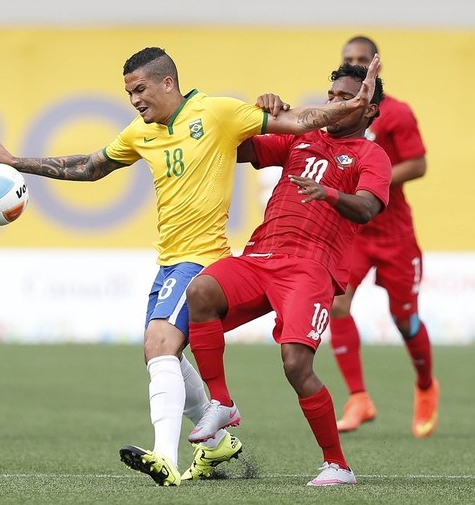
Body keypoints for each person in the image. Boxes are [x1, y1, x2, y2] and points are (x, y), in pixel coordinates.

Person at [0, 47, 380, 486]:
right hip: (178, 258)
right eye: (128, 93)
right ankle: (215, 429)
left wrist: (341, 111)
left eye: (140, 89)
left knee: (167, 344)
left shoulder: (218, 112)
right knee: (160, 348)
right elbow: (90, 167)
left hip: (211, 257)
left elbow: (301, 124)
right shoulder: (139, 133)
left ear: (168, 83)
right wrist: (16, 162)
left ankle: (168, 455)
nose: (134, 100)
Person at [185, 62, 389, 486]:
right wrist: (261, 113)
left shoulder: (372, 155)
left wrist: (330, 193)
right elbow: (234, 148)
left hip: (311, 268)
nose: (335, 103)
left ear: (368, 111)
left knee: (296, 364)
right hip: (261, 257)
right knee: (201, 291)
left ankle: (338, 465)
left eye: (347, 98)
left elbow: (368, 208)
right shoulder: (302, 138)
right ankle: (221, 402)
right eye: (332, 96)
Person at [329, 36, 437, 438]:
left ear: (375, 66)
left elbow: (419, 164)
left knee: (405, 319)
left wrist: (373, 182)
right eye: (348, 60)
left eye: (362, 60)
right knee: (337, 304)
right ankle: (359, 397)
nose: (355, 66)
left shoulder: (395, 113)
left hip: (394, 233)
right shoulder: (336, 112)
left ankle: (426, 386)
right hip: (354, 232)